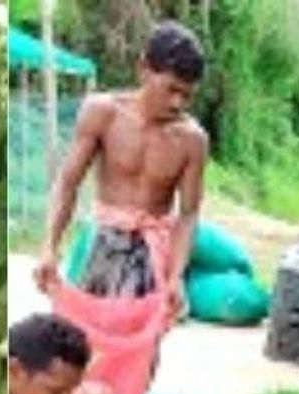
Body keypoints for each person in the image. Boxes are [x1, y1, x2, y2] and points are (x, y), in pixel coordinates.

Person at [34, 19, 208, 320]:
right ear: (143, 69)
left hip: (151, 255)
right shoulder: (103, 112)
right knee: (79, 344)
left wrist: (175, 275)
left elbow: (189, 214)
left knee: (139, 352)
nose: (177, 103)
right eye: (171, 90)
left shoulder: (192, 140)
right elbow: (67, 183)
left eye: (186, 95)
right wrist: (49, 246)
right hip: (101, 243)